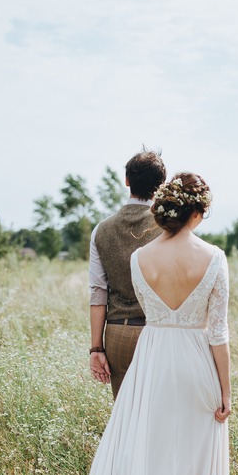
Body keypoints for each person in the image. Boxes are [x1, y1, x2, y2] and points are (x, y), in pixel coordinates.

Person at [68, 173, 238, 475]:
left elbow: (138, 304)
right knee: (191, 464)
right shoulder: (215, 258)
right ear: (195, 212)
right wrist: (226, 391)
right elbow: (219, 333)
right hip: (194, 366)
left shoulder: (140, 257)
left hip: (151, 362)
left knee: (148, 459)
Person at [89, 150, 166, 398]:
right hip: (159, 333)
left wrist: (96, 348)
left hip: (117, 335)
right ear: (161, 185)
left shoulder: (101, 230)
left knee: (125, 416)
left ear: (127, 181)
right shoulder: (167, 228)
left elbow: (98, 292)